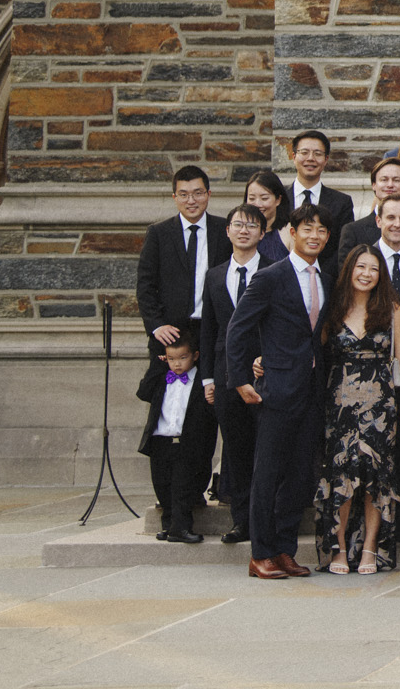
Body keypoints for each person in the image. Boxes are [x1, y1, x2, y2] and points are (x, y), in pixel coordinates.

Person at [226, 202, 331, 580]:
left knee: (300, 474)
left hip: (311, 391)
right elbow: (239, 328)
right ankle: (261, 553)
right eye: (307, 229)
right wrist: (240, 378)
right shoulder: (271, 277)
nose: (314, 236)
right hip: (276, 391)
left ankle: (285, 549)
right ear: (292, 232)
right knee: (267, 473)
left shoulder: (326, 277)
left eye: (321, 230)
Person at [314, 245, 400, 574]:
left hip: (380, 403)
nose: (366, 273)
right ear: (349, 270)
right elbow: (314, 352)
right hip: (339, 402)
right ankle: (340, 548)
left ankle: (371, 547)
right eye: (360, 267)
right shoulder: (333, 308)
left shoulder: (391, 310)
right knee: (341, 475)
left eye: (373, 268)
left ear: (381, 275)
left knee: (377, 476)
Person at [201, 203, 268, 545]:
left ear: (263, 232)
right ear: (227, 231)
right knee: (237, 450)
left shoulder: (274, 271)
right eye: (238, 225)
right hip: (225, 376)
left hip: (263, 375)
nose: (244, 230)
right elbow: (210, 330)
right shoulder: (214, 275)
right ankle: (241, 520)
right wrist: (208, 379)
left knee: (265, 450)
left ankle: (264, 520)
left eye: (252, 226)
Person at [139, 333, 217, 544]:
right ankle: (168, 525)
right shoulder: (161, 378)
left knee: (182, 486)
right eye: (172, 359)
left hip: (186, 442)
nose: (177, 364)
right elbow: (142, 392)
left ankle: (181, 528)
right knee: (162, 485)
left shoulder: (202, 382)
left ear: (195, 356)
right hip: (160, 440)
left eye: (182, 358)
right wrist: (157, 365)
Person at [139, 165, 222, 358]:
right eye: (183, 195)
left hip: (213, 331)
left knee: (210, 388)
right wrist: (156, 325)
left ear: (208, 194)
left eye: (198, 193)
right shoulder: (158, 234)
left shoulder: (224, 230)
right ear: (174, 197)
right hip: (170, 335)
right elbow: (145, 285)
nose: (191, 201)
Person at [283, 130, 356, 264]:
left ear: (326, 159)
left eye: (317, 154)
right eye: (304, 153)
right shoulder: (278, 197)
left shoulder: (342, 203)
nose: (310, 158)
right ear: (293, 156)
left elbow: (344, 249)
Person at [242, 171, 291, 264]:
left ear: (278, 200)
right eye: (252, 199)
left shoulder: (289, 231)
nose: (257, 204)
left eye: (264, 198)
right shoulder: (241, 231)